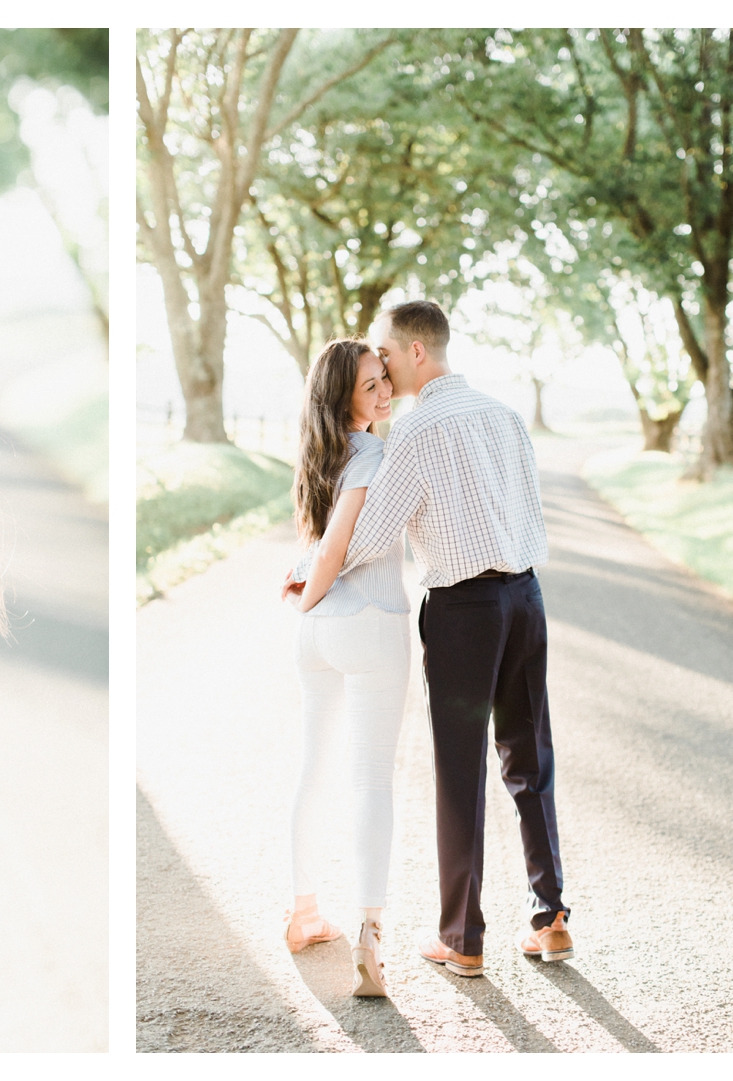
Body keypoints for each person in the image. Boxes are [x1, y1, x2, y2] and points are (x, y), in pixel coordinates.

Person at [287, 299, 571, 978]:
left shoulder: (414, 434)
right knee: (530, 757)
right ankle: (551, 917)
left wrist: (307, 572)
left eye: (386, 354)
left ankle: (463, 938)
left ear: (416, 352)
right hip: (526, 597)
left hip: (464, 610)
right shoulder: (506, 417)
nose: (381, 367)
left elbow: (371, 535)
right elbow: (532, 513)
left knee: (459, 767)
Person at [280, 339, 409, 998]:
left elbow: (311, 547)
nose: (385, 392)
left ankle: (303, 912)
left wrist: (303, 591)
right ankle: (369, 937)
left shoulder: (319, 456)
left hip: (315, 634)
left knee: (312, 765)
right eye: (370, 385)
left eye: (386, 379)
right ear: (343, 399)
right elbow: (333, 548)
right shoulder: (374, 455)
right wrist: (313, 583)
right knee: (370, 781)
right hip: (368, 625)